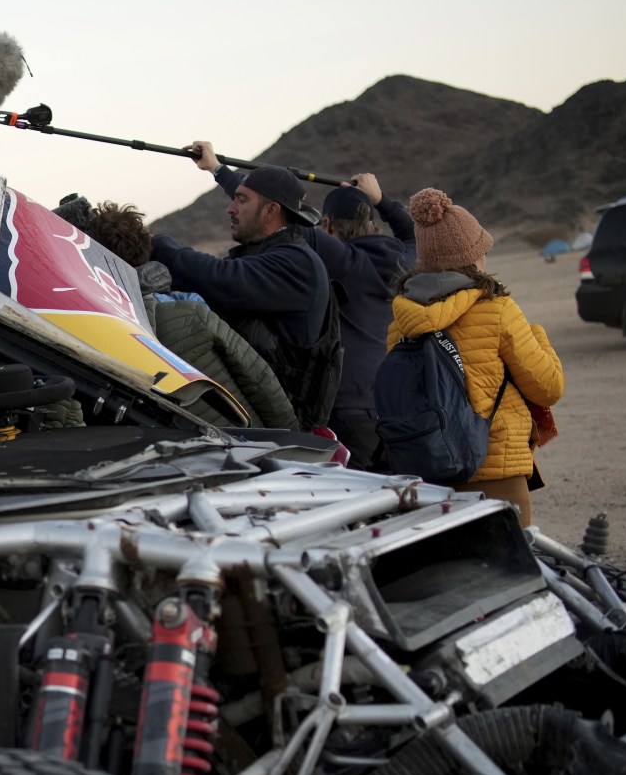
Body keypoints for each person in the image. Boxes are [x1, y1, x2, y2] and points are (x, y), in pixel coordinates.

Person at [187, 143, 416, 468]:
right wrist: (381, 201)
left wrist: (217, 169)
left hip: (344, 406)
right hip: (391, 403)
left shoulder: (342, 260)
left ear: (329, 226)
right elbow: (411, 234)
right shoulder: (404, 261)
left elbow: (274, 213)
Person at [387, 188, 564, 526]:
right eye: (482, 250)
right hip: (495, 468)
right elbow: (548, 388)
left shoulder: (402, 318)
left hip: (430, 473)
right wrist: (538, 335)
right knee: (513, 571)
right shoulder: (497, 309)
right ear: (472, 256)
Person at [60, 197, 297, 430]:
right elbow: (260, 380)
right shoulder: (191, 309)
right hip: (252, 445)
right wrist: (294, 441)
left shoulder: (92, 335)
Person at [148, 164, 335, 428]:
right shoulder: (263, 255)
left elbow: (218, 279)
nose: (231, 208)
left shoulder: (296, 264)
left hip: (274, 425)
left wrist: (151, 243)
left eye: (242, 199)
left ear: (271, 210)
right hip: (246, 408)